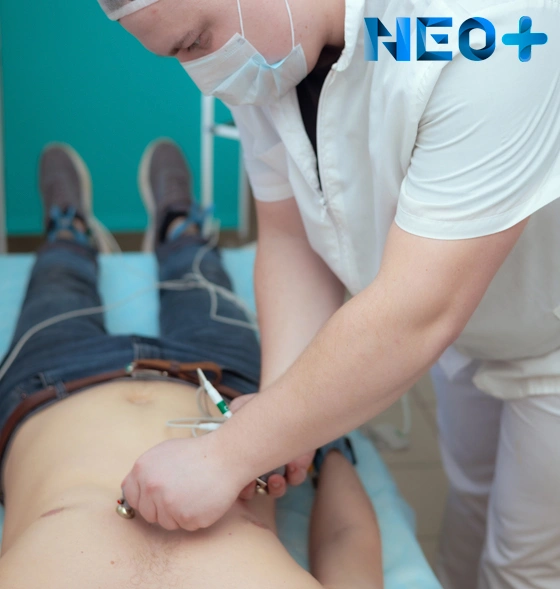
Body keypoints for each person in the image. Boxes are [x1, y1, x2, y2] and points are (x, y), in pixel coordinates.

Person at [97, 1, 560, 588]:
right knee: (472, 498)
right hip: (471, 322)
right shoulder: (270, 57)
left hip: (543, 330)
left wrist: (229, 453)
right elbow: (292, 237)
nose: (205, 76)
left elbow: (418, 311)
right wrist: (277, 421)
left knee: (524, 563)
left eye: (196, 42)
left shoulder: (491, 23)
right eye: (180, 56)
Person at [0, 141, 383, 588]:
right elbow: (345, 537)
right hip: (227, 384)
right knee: (199, 273)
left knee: (58, 279)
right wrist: (320, 440)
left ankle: (68, 230)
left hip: (45, 387)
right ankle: (179, 224)